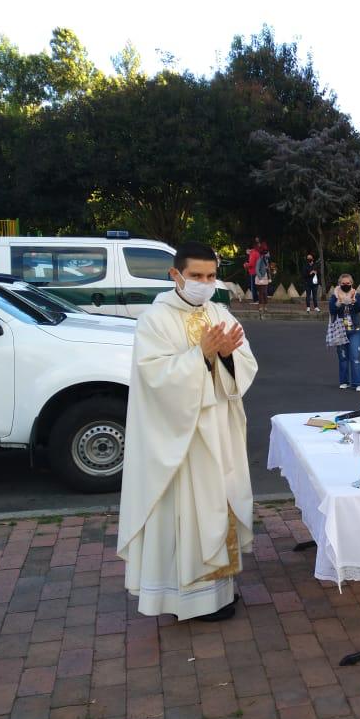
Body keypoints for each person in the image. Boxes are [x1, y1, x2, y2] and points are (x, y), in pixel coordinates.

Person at [117, 241, 257, 622]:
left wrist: (226, 355)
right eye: (196, 276)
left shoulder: (220, 312)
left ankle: (220, 593)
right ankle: (188, 599)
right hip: (180, 439)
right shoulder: (154, 320)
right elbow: (154, 377)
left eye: (211, 276)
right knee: (186, 514)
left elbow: (243, 366)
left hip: (217, 433)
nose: (204, 283)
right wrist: (201, 355)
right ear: (175, 275)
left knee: (218, 507)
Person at [329, 274, 360, 391]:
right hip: (340, 330)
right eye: (343, 283)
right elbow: (332, 310)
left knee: (355, 357)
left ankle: (357, 383)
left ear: (351, 284)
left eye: (348, 283)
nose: (345, 285)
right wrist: (339, 302)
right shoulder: (334, 296)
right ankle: (344, 381)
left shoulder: (357, 295)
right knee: (343, 358)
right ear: (339, 284)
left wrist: (353, 301)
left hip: (355, 330)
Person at [254, 244, 272, 317]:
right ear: (265, 254)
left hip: (266, 278)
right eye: (267, 253)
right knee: (261, 292)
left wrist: (270, 277)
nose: (268, 254)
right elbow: (256, 269)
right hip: (260, 278)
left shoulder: (266, 260)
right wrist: (260, 278)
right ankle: (260, 307)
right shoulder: (260, 260)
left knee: (265, 292)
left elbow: (268, 270)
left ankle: (265, 306)